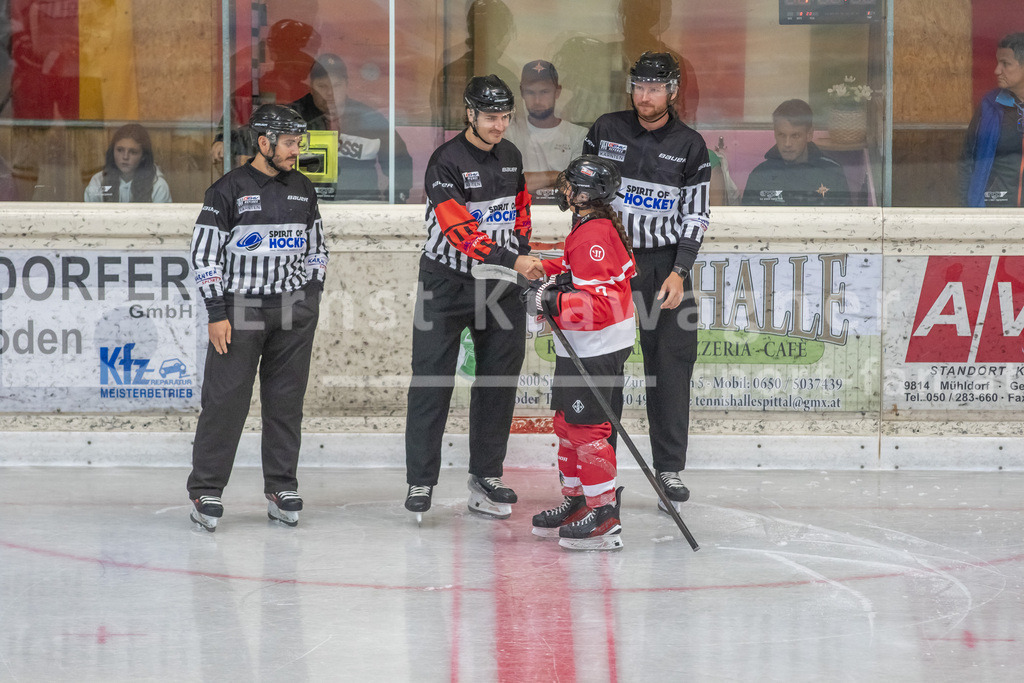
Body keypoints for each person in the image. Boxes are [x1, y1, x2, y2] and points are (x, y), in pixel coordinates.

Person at [404, 75, 544, 520]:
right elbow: (461, 232)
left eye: (505, 117)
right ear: (469, 114)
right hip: (446, 283)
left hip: (501, 286)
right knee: (431, 380)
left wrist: (521, 256)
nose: (499, 126)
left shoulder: (511, 155)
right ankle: (420, 481)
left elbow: (520, 212)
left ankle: (487, 476)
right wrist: (515, 260)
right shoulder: (444, 162)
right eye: (490, 117)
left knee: (498, 381)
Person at [187, 104, 329, 532]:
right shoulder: (227, 190)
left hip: (291, 310)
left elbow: (317, 249)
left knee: (286, 404)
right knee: (225, 402)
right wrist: (216, 312)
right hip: (239, 309)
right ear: (263, 142)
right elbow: (204, 255)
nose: (296, 151)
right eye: (289, 143)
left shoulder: (303, 188)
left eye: (298, 143)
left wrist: (309, 298)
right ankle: (206, 489)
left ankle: (281, 485)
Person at [583, 51, 710, 513]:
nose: (645, 96)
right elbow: (582, 193)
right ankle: (602, 471)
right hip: (611, 266)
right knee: (604, 367)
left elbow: (695, 214)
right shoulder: (605, 129)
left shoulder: (691, 145)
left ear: (673, 91)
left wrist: (680, 271)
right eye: (639, 86)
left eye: (655, 88)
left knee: (671, 369)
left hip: (663, 270)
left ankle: (668, 470)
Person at [526, 155, 634, 551]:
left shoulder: (593, 235)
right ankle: (576, 502)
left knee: (588, 431)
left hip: (596, 348)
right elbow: (584, 277)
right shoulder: (590, 227)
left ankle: (604, 515)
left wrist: (550, 301)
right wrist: (549, 272)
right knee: (566, 425)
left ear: (584, 193)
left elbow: (600, 306)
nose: (564, 190)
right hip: (583, 348)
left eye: (570, 184)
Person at [288, 53, 413, 202]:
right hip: (303, 206)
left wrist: (396, 196)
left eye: (336, 85)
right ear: (312, 88)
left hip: (360, 206)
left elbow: (400, 162)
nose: (330, 93)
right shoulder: (291, 117)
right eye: (322, 86)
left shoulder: (370, 119)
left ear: (347, 85)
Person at [503, 60, 588, 203]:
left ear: (557, 92)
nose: (537, 100)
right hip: (519, 214)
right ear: (522, 92)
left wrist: (531, 179)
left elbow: (577, 185)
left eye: (544, 92)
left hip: (564, 215)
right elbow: (508, 183)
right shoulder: (508, 134)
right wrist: (555, 176)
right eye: (530, 92)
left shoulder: (578, 135)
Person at [741, 99, 852, 206]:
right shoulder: (760, 175)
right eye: (782, 135)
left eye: (795, 136)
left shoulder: (832, 173)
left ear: (809, 134)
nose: (787, 143)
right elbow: (748, 223)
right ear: (775, 134)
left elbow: (845, 222)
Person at [961, 32, 1024, 207]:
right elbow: (967, 161)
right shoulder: (990, 106)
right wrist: (966, 211)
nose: (997, 70)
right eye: (998, 63)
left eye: (1006, 64)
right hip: (995, 215)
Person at [84, 124, 171, 202]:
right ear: (112, 151)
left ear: (143, 156)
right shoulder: (98, 181)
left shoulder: (158, 186)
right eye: (120, 150)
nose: (125, 157)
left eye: (133, 152)